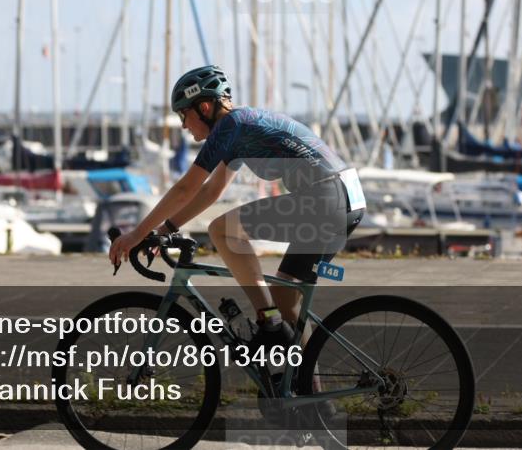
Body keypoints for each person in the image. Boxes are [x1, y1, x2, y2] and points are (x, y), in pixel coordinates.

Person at [109, 65, 365, 350]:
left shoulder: (230, 126)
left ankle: (268, 323)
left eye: (184, 115)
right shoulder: (243, 125)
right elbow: (211, 191)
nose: (183, 125)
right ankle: (307, 388)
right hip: (346, 197)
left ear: (204, 107)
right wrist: (165, 228)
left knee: (223, 230)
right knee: (285, 295)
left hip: (327, 198)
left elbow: (186, 188)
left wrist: (136, 235)